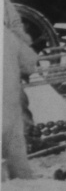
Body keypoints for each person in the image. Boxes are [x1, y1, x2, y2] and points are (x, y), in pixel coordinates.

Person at [3, 26, 37, 179]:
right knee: (15, 149)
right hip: (10, 100)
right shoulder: (5, 32)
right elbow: (30, 61)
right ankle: (24, 184)